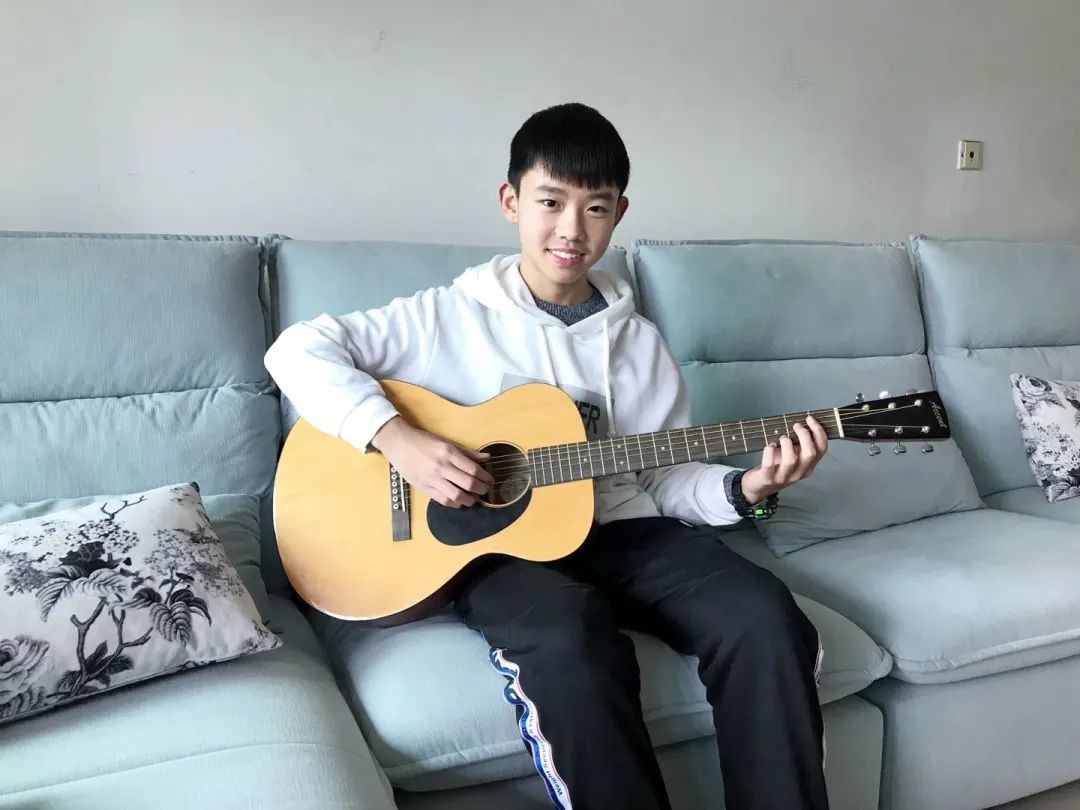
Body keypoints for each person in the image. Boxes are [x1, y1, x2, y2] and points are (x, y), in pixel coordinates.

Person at [264, 102, 830, 810]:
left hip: (626, 533)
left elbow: (663, 475)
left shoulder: (638, 343)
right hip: (499, 552)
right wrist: (398, 439)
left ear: (620, 213)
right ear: (511, 201)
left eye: (595, 208)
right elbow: (297, 350)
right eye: (550, 202)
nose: (571, 229)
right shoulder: (444, 317)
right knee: (571, 639)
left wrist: (749, 488)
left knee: (763, 613)